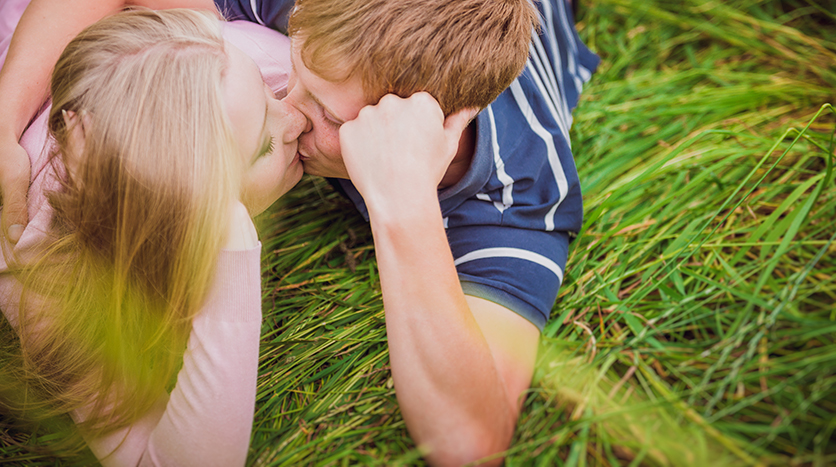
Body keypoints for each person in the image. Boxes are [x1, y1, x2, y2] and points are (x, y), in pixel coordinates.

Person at [0, 0, 599, 465]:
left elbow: (470, 441)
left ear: (428, 127)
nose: (286, 103)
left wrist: (403, 204)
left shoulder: (519, 191)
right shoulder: (325, 18)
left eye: (329, 115)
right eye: (297, 70)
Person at [0, 6, 307, 465]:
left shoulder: (242, 66)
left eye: (268, 95)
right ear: (188, 214)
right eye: (264, 145)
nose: (296, 119)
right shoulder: (41, 273)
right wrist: (232, 245)